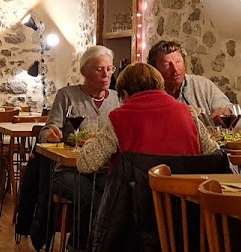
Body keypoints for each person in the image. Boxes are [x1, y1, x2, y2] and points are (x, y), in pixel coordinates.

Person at [78, 64, 219, 174]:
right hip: (184, 204)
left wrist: (90, 143)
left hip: (138, 205)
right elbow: (214, 153)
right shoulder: (188, 112)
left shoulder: (119, 118)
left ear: (125, 94)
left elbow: (86, 164)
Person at [39, 45, 122, 144]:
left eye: (109, 69)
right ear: (84, 72)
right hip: (73, 157)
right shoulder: (66, 96)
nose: (106, 75)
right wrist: (49, 135)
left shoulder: (118, 99)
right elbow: (45, 133)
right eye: (99, 69)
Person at [146, 40, 234, 125]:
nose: (175, 69)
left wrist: (227, 113)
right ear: (155, 70)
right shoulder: (151, 95)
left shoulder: (202, 85)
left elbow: (230, 110)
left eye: (178, 62)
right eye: (167, 65)